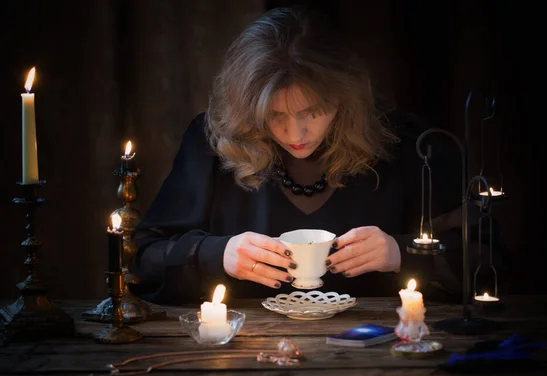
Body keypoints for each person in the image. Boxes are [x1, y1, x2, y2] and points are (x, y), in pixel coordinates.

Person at [131, 6, 469, 305]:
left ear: (344, 97)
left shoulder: (407, 143)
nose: (295, 135)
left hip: (376, 356)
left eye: (314, 111)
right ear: (248, 108)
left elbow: (486, 261)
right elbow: (142, 259)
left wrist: (402, 253)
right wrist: (217, 255)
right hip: (241, 355)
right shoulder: (212, 143)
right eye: (275, 115)